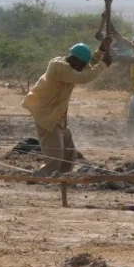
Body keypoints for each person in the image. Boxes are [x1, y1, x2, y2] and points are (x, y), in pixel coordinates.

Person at [22, 38, 113, 176]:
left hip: (57, 117)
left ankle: (62, 179)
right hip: (46, 118)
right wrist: (104, 64)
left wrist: (100, 51)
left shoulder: (71, 67)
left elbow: (87, 67)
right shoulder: (60, 67)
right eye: (82, 64)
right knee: (55, 159)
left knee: (69, 156)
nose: (83, 66)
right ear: (76, 61)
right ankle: (39, 178)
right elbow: (83, 77)